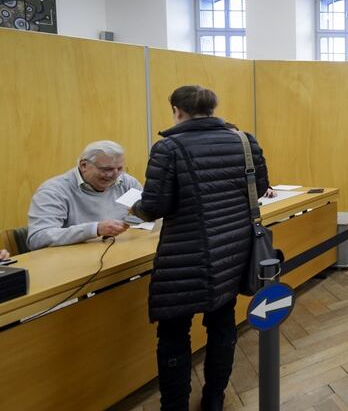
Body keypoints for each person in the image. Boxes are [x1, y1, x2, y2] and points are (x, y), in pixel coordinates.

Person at [131, 85, 270, 411]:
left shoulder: (169, 148)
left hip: (185, 255)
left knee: (174, 334)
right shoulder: (244, 141)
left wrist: (134, 208)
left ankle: (175, 405)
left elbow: (154, 205)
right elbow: (260, 187)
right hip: (232, 248)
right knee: (222, 325)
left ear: (177, 111)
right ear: (212, 109)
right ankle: (213, 399)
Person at [27, 140, 143, 250]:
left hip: (121, 253)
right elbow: (38, 238)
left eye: (120, 168)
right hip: (71, 263)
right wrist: (95, 229)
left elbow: (150, 215)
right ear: (83, 165)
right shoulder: (54, 191)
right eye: (107, 169)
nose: (114, 175)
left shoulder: (127, 182)